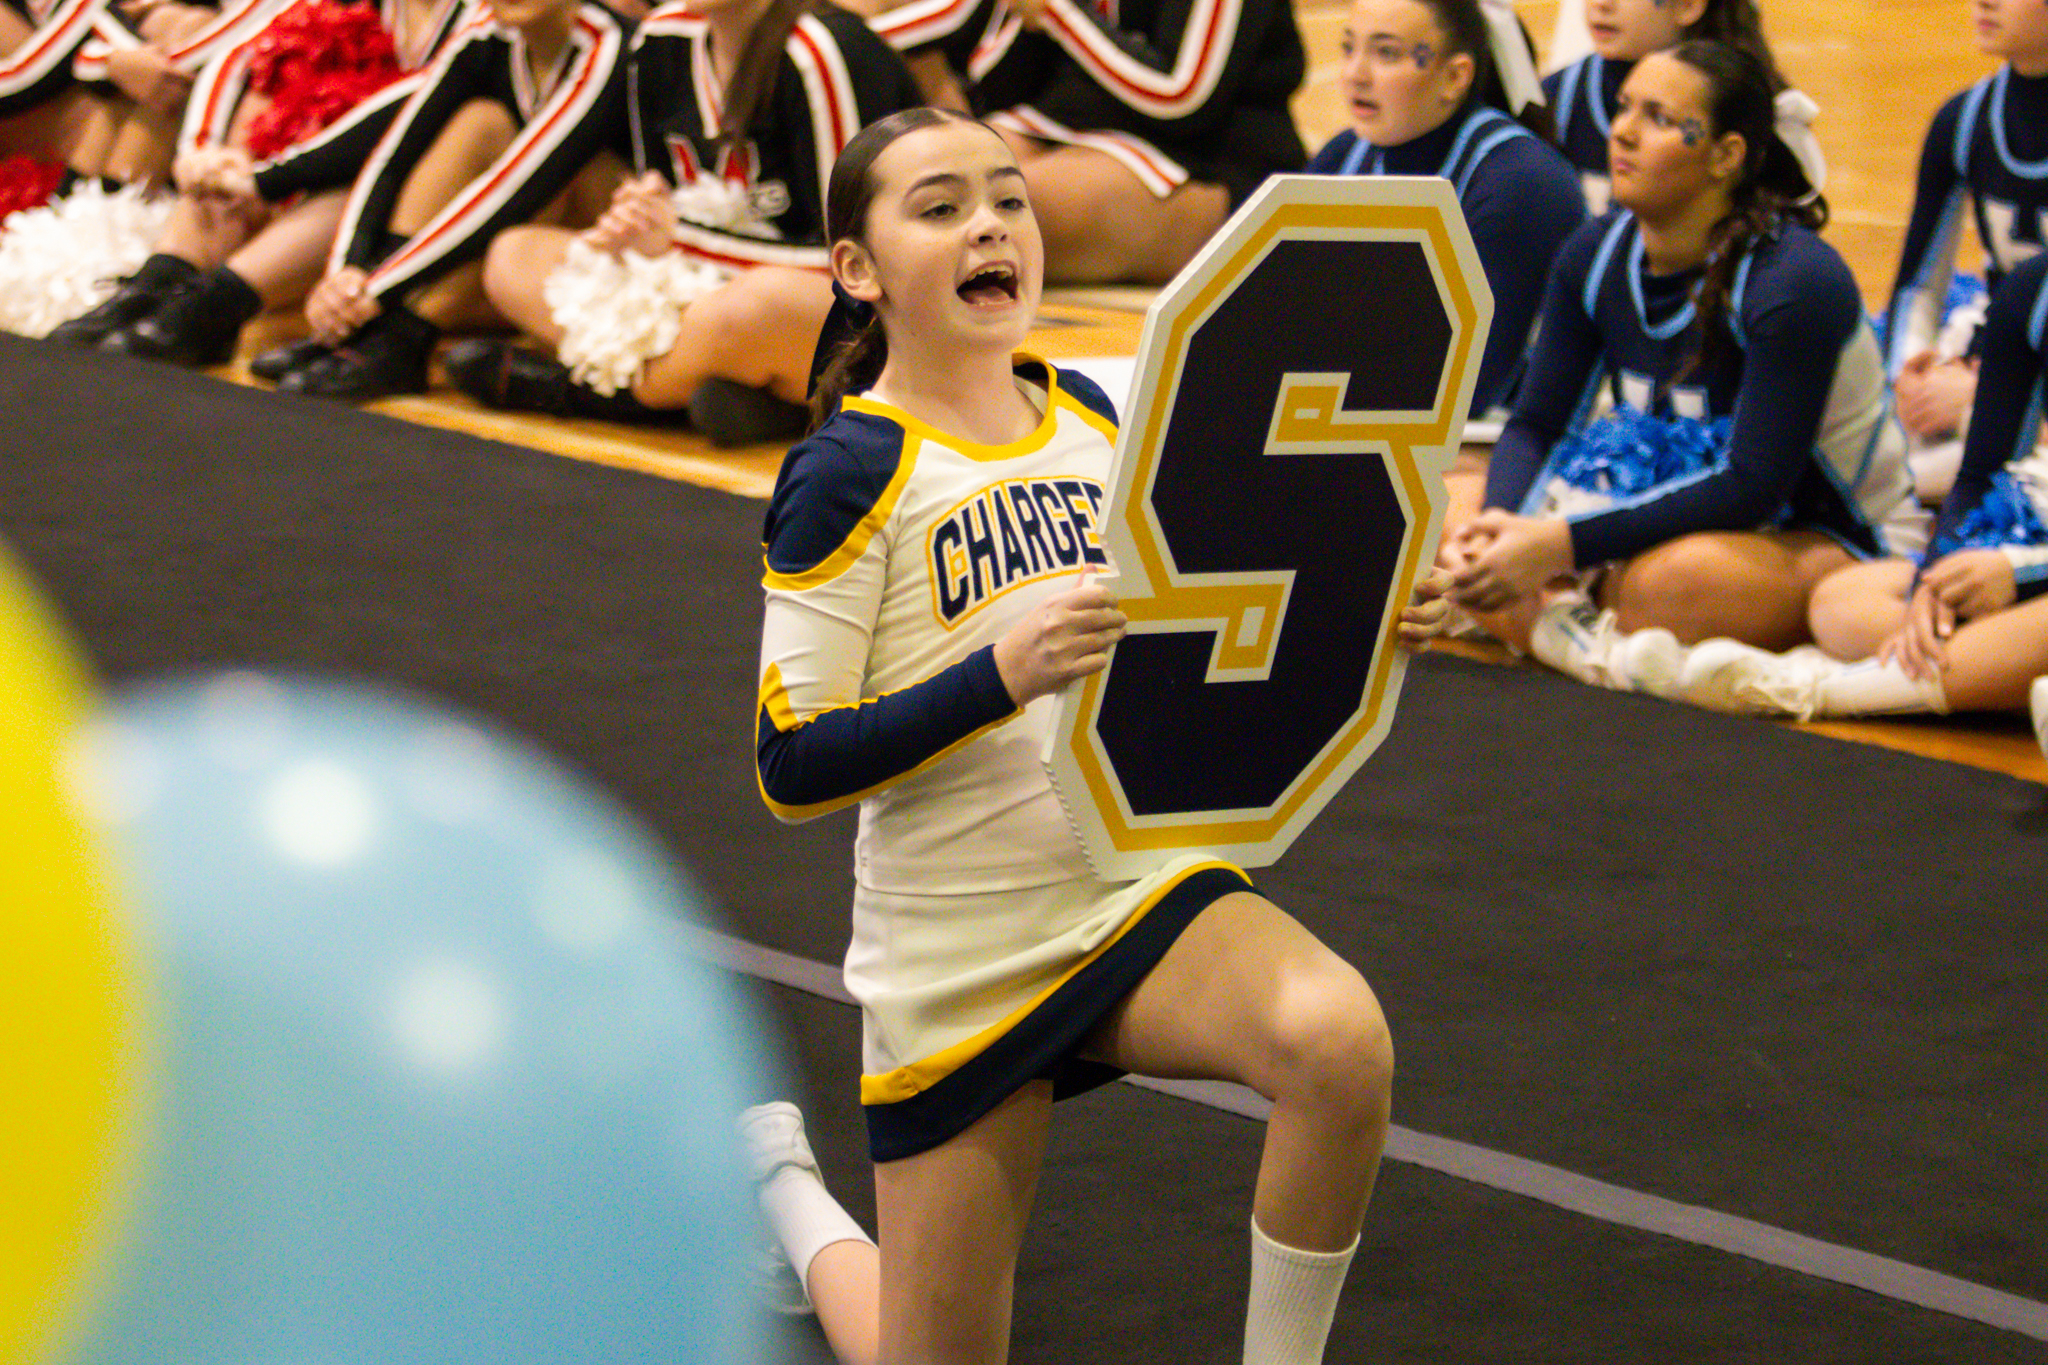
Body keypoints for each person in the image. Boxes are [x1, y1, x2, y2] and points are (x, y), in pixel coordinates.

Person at [752, 106, 1393, 1364]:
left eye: (1007, 199)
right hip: (958, 944)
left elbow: (1227, 614)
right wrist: (996, 677)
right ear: (857, 270)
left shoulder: (1102, 416)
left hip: (1126, 884)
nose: (988, 223)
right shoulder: (847, 470)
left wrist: (1379, 609)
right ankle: (777, 1189)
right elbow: (790, 763)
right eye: (937, 207)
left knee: (1336, 1042)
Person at [1442, 41, 1924, 676]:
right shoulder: (1593, 254)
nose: (1622, 131)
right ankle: (1570, 635)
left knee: (1666, 586)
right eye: (1623, 108)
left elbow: (1754, 487)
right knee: (1451, 508)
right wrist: (1501, 525)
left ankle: (1547, 620)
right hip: (1655, 513)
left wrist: (1559, 545)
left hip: (1821, 535)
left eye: (1660, 118)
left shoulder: (1793, 282)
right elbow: (1538, 424)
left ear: (1726, 154)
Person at [1605, 249, 2048, 735]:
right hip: (2024, 553)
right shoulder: (2031, 289)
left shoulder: (1797, 281)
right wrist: (1939, 580)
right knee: (1840, 606)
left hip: (2026, 577)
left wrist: (2019, 574)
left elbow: (1752, 485)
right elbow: (1979, 477)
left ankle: (1814, 691)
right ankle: (2000, 678)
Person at [442, 0, 923, 441]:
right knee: (514, 255)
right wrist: (631, 224)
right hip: (704, 282)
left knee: (749, 308)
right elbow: (665, 196)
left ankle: (587, 395)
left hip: (867, 307)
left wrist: (679, 240)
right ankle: (738, 398)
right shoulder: (661, 37)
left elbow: (857, 262)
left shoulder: (823, 51)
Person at [102, 0, 634, 398]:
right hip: (474, 236)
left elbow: (519, 189)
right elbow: (395, 147)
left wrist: (380, 286)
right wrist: (348, 269)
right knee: (476, 124)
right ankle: (187, 288)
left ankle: (399, 331)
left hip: (610, 248)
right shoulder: (488, 38)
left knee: (529, 163)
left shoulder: (607, 45)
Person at [41, 0, 465, 353]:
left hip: (410, 193)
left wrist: (266, 178)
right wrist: (202, 151)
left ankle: (214, 306)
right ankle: (161, 281)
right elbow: (247, 47)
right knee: (264, 83)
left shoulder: (480, 21)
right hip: (319, 162)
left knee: (363, 178)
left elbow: (415, 107)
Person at [872, 0, 1310, 284]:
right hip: (1072, 121)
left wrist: (1058, 13)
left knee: (980, 211)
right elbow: (968, 25)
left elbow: (1182, 97)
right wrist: (838, 36)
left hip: (1207, 156)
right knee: (902, 172)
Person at [1883, 0, 2048, 502]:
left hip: (2023, 383)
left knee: (1905, 484)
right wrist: (1908, 379)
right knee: (1858, 443)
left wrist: (1987, 396)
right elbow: (1917, 288)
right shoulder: (1964, 119)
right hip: (1994, 351)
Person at [1541, 0, 1780, 213]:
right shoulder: (1555, 95)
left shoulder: (1766, 114)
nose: (1601, 4)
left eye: (1661, 119)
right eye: (1625, 106)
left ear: (1688, 5)